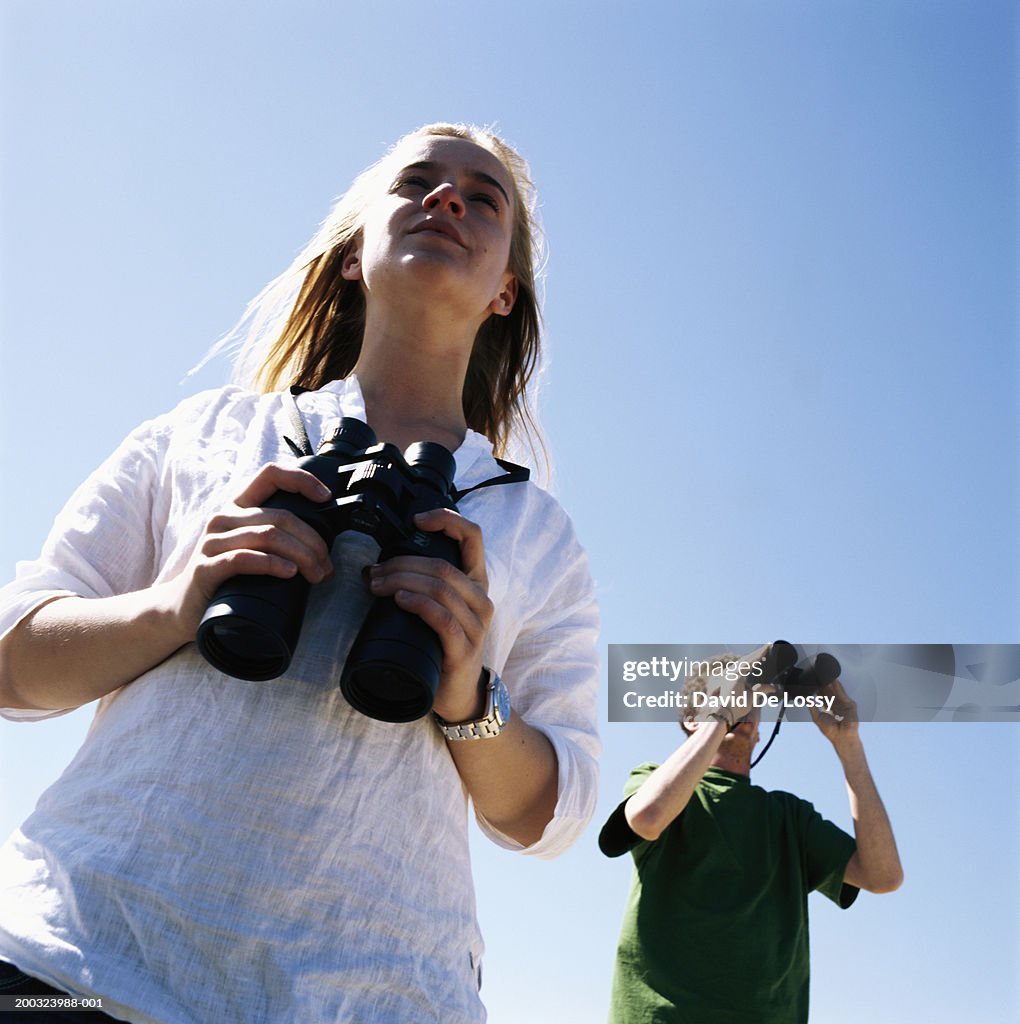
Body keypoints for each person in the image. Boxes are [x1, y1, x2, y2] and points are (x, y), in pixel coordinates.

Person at [0, 123, 600, 1024]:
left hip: (376, 1000)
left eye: (484, 199)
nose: (447, 201)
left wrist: (469, 695)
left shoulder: (534, 530)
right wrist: (176, 603)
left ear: (506, 292)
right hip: (77, 957)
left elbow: (545, 814)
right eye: (418, 183)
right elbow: (14, 663)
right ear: (355, 254)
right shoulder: (201, 434)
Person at [599, 648, 902, 1024]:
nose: (744, 707)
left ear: (760, 731)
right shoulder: (655, 781)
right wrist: (722, 715)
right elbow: (646, 818)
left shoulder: (789, 818)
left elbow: (884, 875)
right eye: (726, 693)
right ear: (692, 718)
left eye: (750, 701)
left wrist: (848, 743)